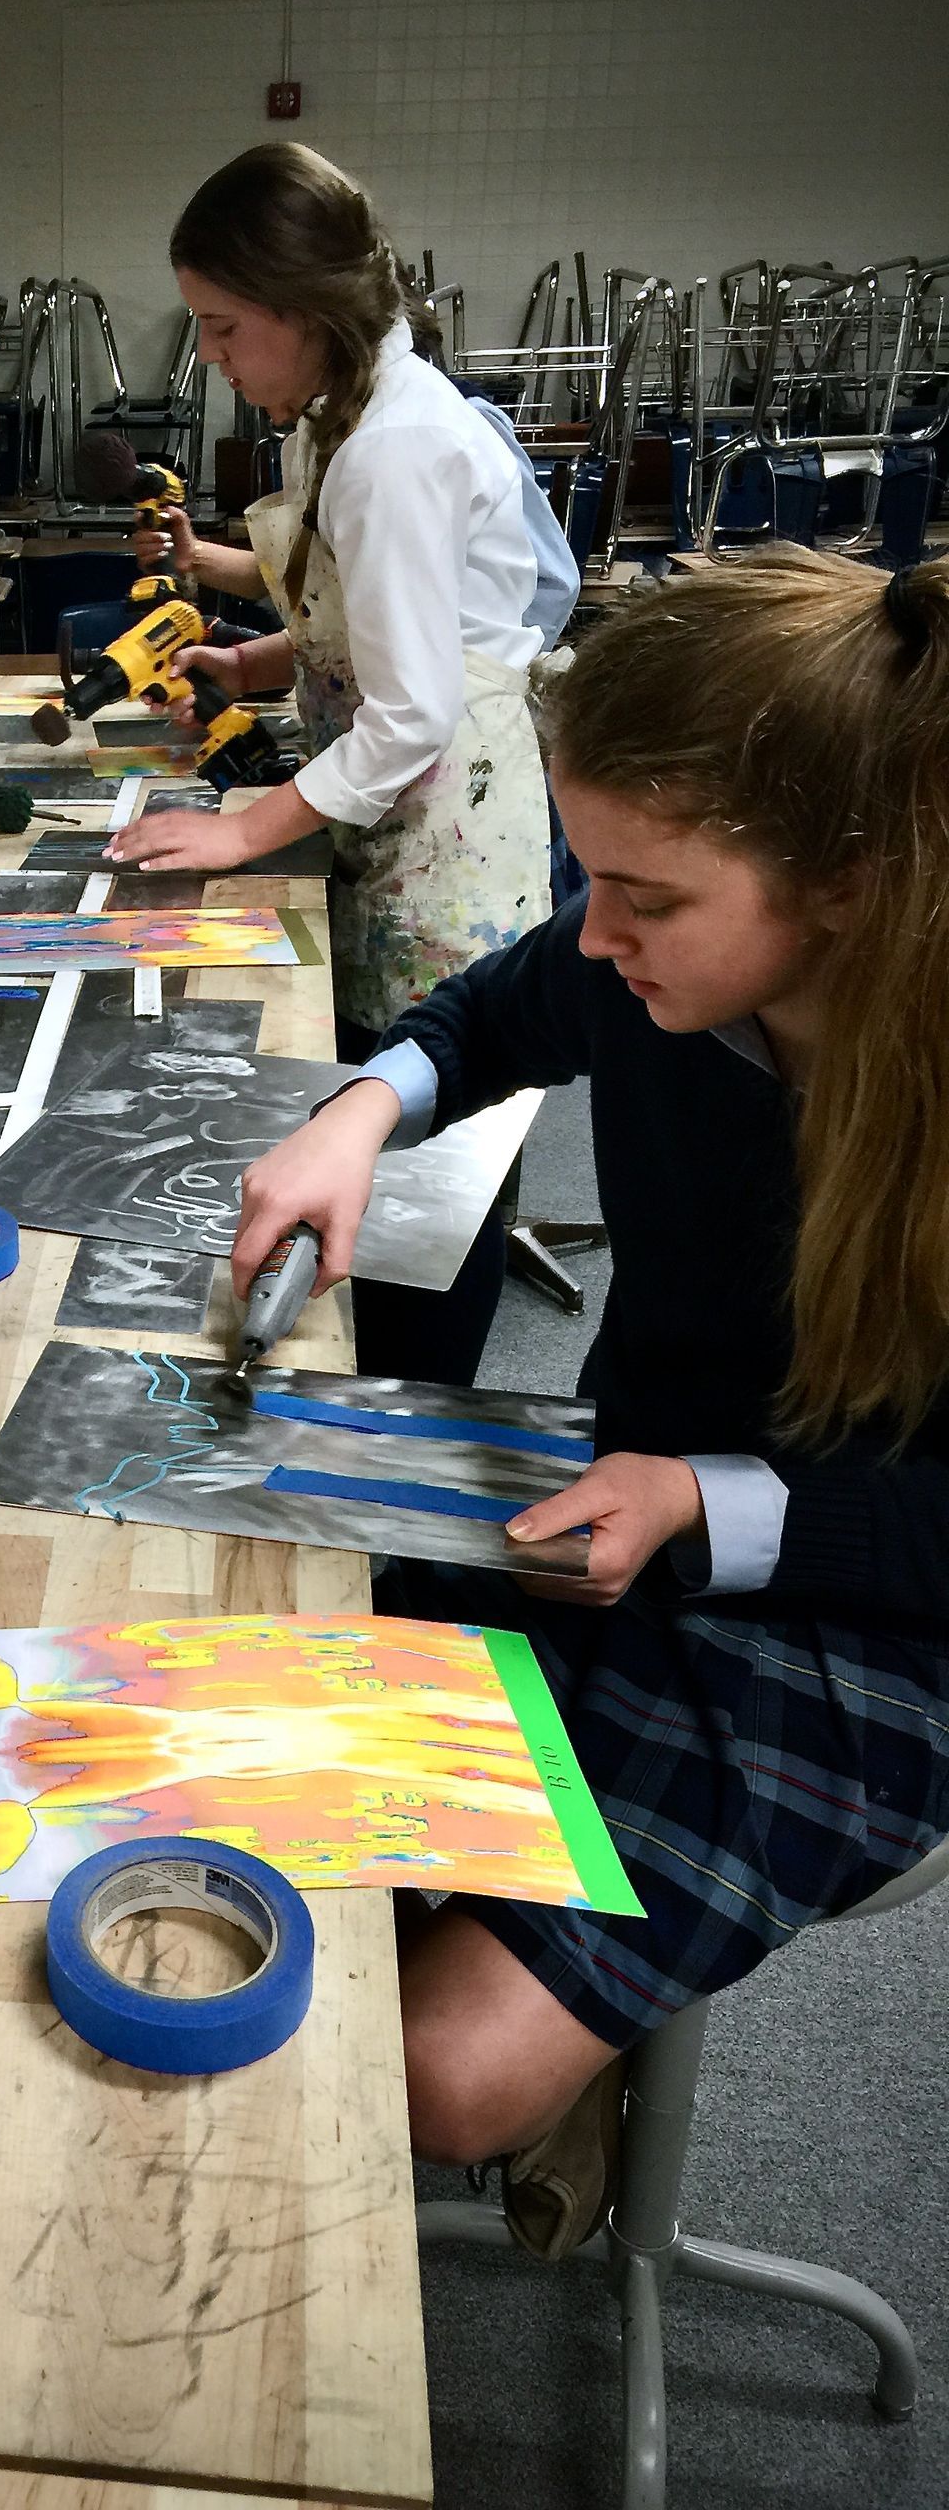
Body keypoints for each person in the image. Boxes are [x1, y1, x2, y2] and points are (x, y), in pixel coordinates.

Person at [229, 549, 949, 2238]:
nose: (597, 927)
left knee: (441, 2065)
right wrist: (358, 1111)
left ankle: (567, 2044)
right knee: (237, 1703)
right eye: (587, 872)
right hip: (617, 1493)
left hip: (872, 1611)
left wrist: (717, 1511)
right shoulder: (659, 958)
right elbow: (495, 1007)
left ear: (845, 882)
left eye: (648, 893)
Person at [111, 144, 553, 1383]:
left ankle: (410, 1460)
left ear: (305, 313)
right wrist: (258, 666)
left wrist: (245, 829)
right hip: (398, 842)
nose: (210, 356)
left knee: (430, 1201)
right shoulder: (342, 418)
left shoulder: (396, 449)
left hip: (447, 866)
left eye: (223, 327)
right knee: (382, 1153)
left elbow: (410, 712)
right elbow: (365, 607)